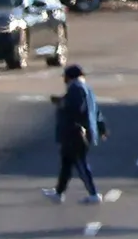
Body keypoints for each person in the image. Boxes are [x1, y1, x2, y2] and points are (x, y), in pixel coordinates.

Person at [43, 64, 105, 203]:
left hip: (75, 133)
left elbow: (76, 108)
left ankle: (93, 194)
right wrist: (102, 128)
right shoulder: (86, 88)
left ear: (70, 77)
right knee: (66, 163)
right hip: (77, 132)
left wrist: (60, 102)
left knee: (80, 163)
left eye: (65, 76)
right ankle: (59, 193)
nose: (64, 79)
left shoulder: (76, 89)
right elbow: (95, 110)